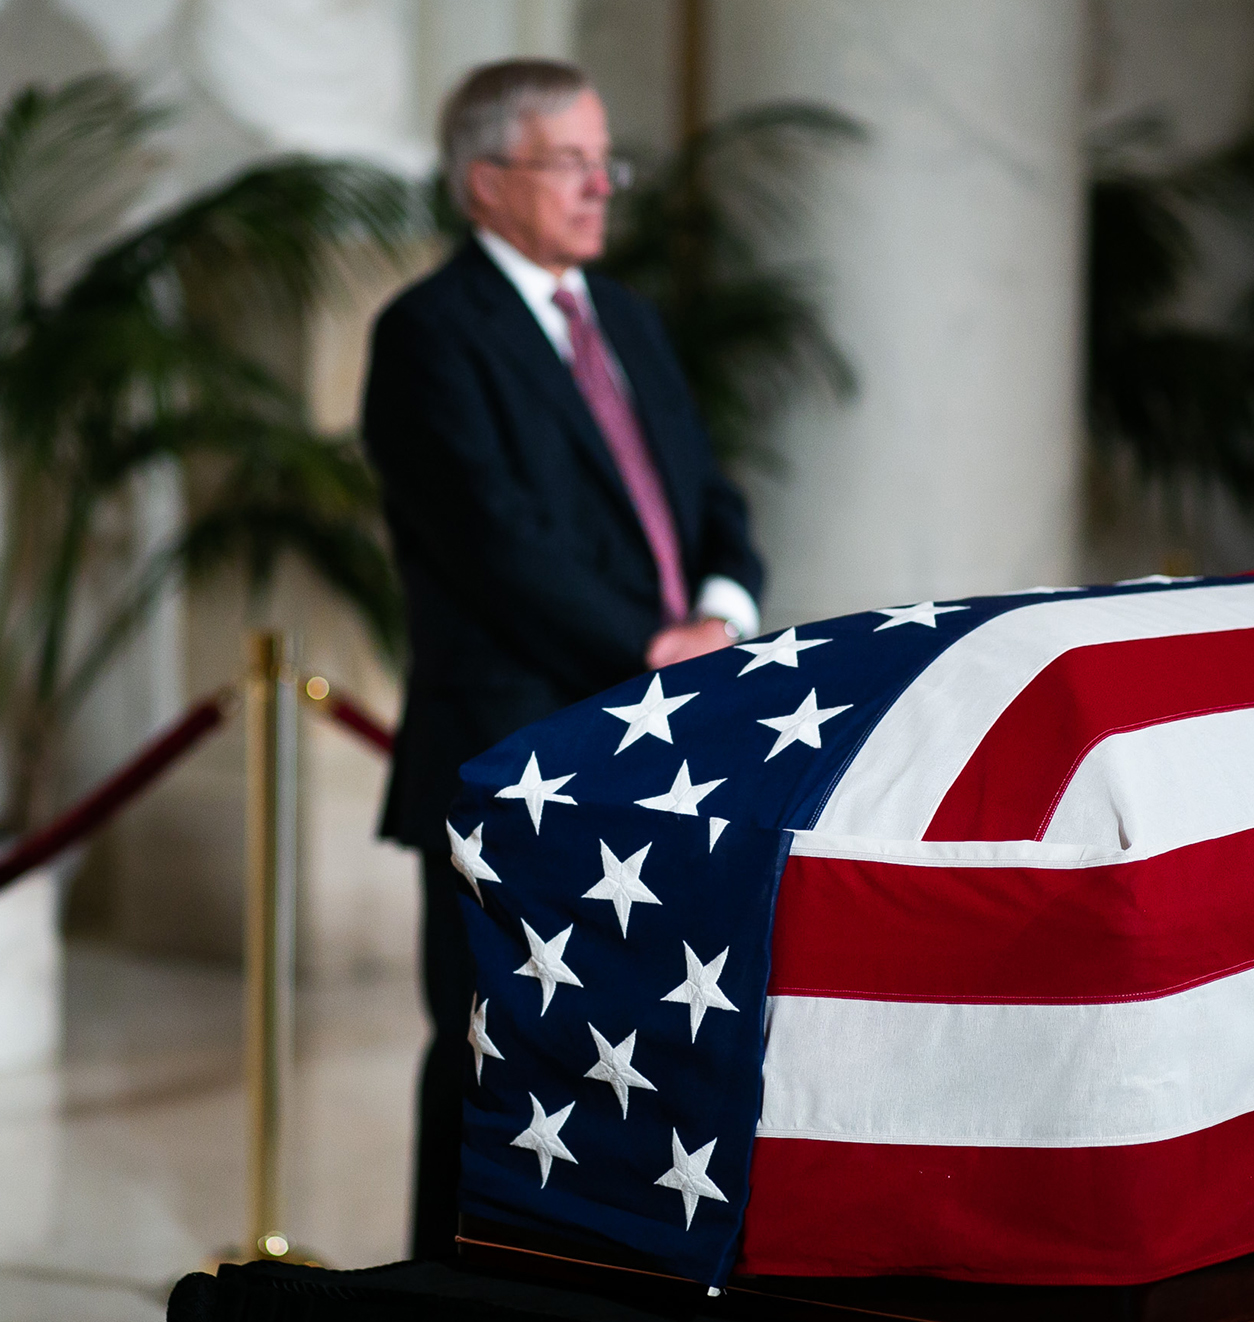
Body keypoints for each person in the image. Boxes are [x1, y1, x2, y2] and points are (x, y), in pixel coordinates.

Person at [361, 59, 766, 1261]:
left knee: (621, 1054)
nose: (602, 185)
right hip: (511, 749)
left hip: (652, 747)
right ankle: (453, 1286)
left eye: (606, 160)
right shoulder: (429, 334)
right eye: (570, 162)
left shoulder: (625, 317)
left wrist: (726, 608)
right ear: (485, 182)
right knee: (496, 1051)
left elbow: (710, 492)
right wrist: (652, 642)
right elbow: (493, 541)